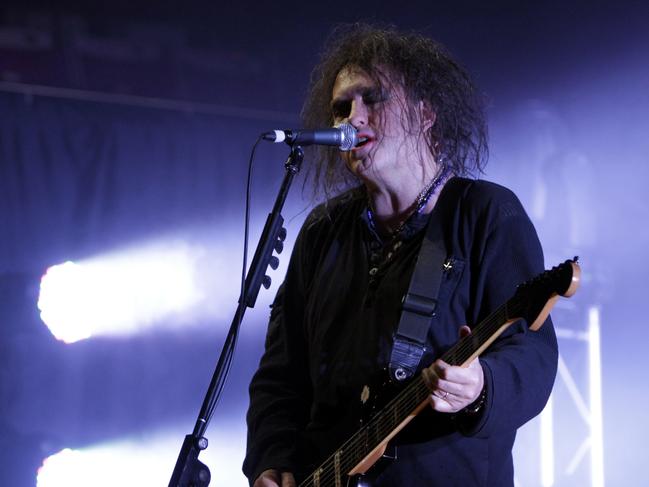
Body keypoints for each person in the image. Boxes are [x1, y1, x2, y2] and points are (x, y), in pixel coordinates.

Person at [243, 24, 558, 487]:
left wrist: (482, 386)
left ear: (426, 113)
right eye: (341, 108)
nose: (353, 117)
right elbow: (280, 376)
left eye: (372, 99)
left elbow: (533, 353)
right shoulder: (321, 232)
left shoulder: (485, 214)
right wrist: (271, 460)